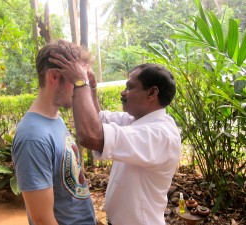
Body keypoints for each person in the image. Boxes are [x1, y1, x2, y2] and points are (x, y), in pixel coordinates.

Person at [49, 51, 182, 225]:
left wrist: (80, 83)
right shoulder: (137, 121)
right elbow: (97, 119)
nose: (123, 92)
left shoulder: (160, 135)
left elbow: (91, 135)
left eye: (130, 87)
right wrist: (92, 88)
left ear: (152, 93)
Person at [11, 39, 96, 225]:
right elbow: (43, 219)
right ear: (54, 77)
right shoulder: (33, 138)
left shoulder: (54, 119)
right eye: (77, 80)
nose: (81, 88)